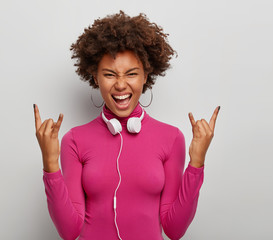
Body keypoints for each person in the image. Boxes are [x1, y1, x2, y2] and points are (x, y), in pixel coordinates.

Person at [34, 11, 219, 240]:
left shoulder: (171, 139)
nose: (121, 85)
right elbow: (69, 231)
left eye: (131, 74)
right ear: (95, 77)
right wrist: (50, 163)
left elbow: (174, 229)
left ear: (145, 75)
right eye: (110, 74)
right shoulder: (74, 140)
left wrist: (197, 162)